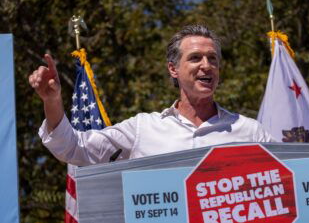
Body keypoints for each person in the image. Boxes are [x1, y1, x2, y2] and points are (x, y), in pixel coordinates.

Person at [29, 24, 274, 166]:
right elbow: (74, 148)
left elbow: (289, 179)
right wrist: (52, 101)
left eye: (213, 59)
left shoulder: (251, 132)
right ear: (173, 69)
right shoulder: (143, 129)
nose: (206, 65)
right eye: (195, 58)